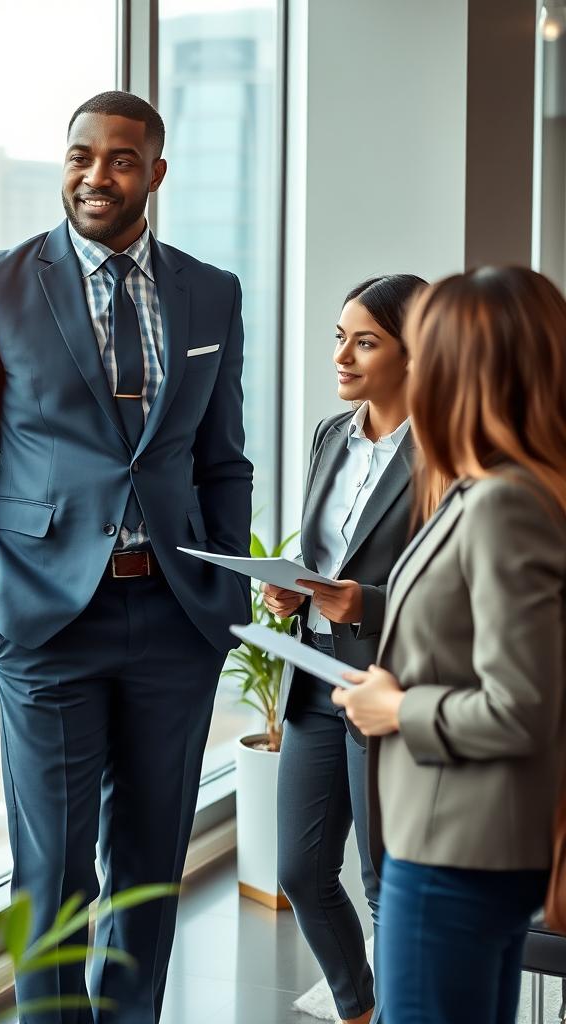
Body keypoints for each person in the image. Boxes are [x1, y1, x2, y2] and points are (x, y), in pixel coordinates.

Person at [0, 90, 252, 1021]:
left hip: (178, 618)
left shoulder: (211, 291)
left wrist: (222, 590)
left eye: (118, 159)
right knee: (53, 868)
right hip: (44, 619)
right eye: (79, 156)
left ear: (155, 172)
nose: (95, 176)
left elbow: (223, 459)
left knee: (150, 865)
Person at [333, 267, 566, 1024]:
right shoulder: (493, 487)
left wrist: (396, 707)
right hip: (466, 846)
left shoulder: (504, 504)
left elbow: (519, 707)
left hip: (454, 850)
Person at [264, 274, 425, 1024]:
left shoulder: (445, 454)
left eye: (365, 341)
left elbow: (456, 588)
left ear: (415, 353)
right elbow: (324, 548)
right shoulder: (331, 436)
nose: (343, 356)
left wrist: (370, 603)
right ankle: (357, 1006)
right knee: (300, 867)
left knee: (386, 881)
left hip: (390, 686)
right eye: (339, 337)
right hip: (318, 676)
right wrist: (290, 588)